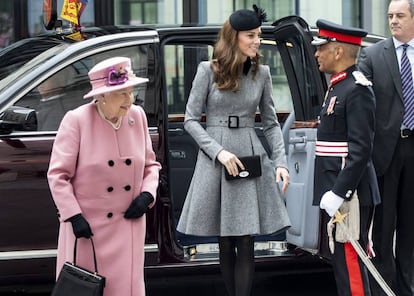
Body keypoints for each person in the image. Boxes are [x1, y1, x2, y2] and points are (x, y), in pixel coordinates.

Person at [176, 5, 291, 296]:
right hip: (217, 157)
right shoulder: (208, 70)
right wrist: (218, 152)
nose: (256, 41)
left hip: (249, 153)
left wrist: (280, 162)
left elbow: (270, 123)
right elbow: (190, 120)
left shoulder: (262, 73)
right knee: (225, 240)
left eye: (258, 35)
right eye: (250, 35)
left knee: (246, 238)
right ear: (234, 37)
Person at [47, 56, 161, 296]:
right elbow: (58, 175)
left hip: (128, 225)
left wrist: (147, 195)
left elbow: (151, 165)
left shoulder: (137, 117)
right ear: (101, 96)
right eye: (122, 94)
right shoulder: (77, 120)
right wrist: (73, 216)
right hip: (89, 229)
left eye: (131, 93)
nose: (129, 101)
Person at [312, 19, 380, 296]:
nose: (316, 54)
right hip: (339, 191)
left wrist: (340, 192)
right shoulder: (337, 86)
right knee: (341, 263)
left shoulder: (357, 89)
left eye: (321, 48)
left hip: (351, 194)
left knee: (351, 264)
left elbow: (360, 149)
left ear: (338, 51)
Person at [358, 0, 414, 295]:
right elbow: (361, 105)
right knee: (383, 229)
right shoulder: (372, 55)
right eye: (390, 15)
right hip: (386, 152)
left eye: (400, 16)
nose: (393, 21)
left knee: (410, 229)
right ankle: (383, 289)